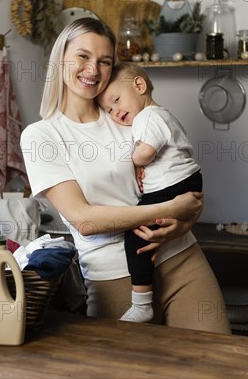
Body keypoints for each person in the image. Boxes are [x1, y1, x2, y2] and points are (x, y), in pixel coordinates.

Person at [20, 17, 230, 333]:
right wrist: (169, 210)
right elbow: (84, 220)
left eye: (104, 61)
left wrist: (186, 218)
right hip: (116, 277)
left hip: (181, 257)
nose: (93, 69)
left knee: (222, 365)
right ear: (60, 56)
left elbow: (177, 178)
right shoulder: (42, 136)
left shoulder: (127, 114)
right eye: (83, 56)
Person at [96, 61, 203, 323]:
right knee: (154, 230)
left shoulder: (149, 116)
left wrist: (131, 161)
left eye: (117, 100)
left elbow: (144, 154)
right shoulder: (154, 116)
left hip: (175, 185)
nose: (115, 111)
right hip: (184, 183)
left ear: (140, 86)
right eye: (109, 109)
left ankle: (142, 304)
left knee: (135, 238)